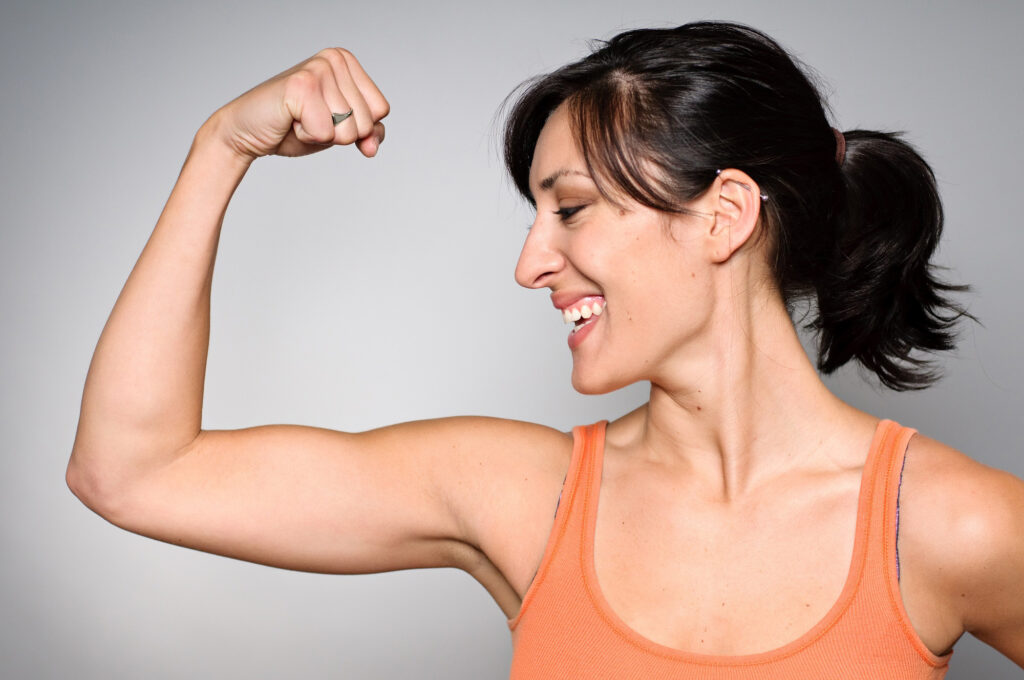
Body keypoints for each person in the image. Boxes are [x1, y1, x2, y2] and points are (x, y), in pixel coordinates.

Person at [66, 20, 1023, 678]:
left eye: (569, 208)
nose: (531, 264)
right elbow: (133, 471)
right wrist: (220, 148)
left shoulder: (948, 525)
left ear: (725, 214)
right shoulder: (524, 499)